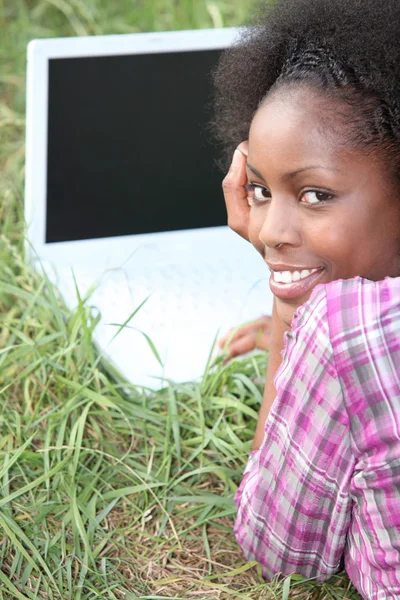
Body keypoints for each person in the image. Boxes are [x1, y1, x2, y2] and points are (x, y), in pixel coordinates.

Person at [212, 0, 400, 597]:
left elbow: (278, 543)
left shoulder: (351, 332)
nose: (268, 231)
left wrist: (296, 315)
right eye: (260, 189)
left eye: (316, 194)